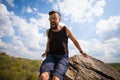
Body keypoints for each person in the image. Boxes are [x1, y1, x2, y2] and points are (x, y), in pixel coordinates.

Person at [39, 10, 87, 80]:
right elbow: (48, 42)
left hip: (62, 57)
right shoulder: (48, 31)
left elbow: (75, 41)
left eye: (54, 18)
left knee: (56, 78)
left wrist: (81, 51)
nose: (52, 20)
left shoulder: (65, 29)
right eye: (50, 19)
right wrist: (46, 52)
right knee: (43, 76)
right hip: (51, 56)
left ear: (59, 19)